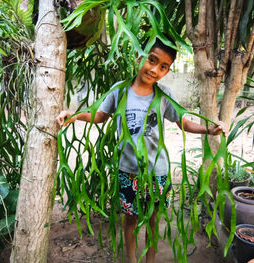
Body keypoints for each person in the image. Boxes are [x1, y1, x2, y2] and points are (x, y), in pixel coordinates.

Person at [56, 36, 228, 263]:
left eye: (163, 66)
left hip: (158, 173)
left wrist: (210, 129)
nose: (155, 69)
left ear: (167, 71)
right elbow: (100, 115)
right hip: (128, 171)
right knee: (130, 220)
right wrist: (74, 115)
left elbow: (184, 122)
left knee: (154, 221)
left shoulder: (165, 95)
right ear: (139, 56)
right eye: (151, 60)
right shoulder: (119, 91)